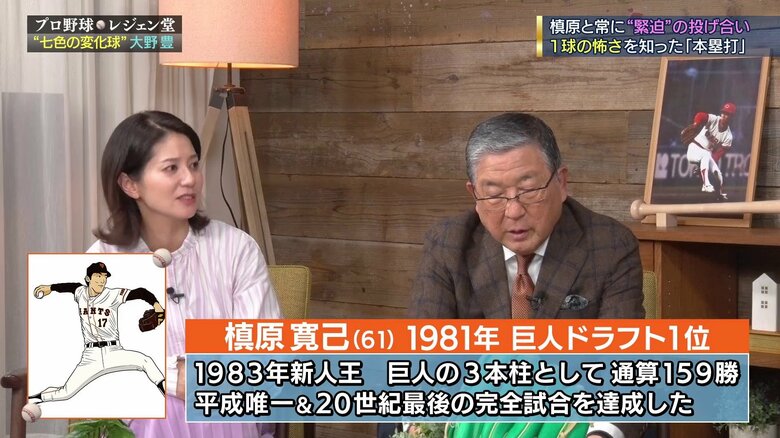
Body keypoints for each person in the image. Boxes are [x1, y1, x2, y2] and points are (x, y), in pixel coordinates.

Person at [408, 113, 646, 438]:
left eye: (529, 190)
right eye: (494, 195)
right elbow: (423, 364)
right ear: (474, 195)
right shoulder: (448, 244)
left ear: (561, 183)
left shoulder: (609, 246)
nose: (514, 211)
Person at [84, 111, 282, 437]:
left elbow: (264, 355)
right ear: (130, 184)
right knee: (158, 406)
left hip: (229, 414)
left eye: (193, 164)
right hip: (141, 423)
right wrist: (175, 377)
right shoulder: (102, 262)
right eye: (171, 168)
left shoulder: (236, 248)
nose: (190, 179)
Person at [29, 261, 165, 403]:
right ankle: (33, 399)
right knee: (65, 393)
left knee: (146, 361)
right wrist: (50, 288)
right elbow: (69, 286)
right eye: (98, 276)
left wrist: (156, 305)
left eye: (105, 277)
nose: (102, 281)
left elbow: (141, 292)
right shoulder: (80, 292)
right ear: (88, 279)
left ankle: (169, 395)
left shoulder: (112, 295)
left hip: (114, 352)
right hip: (90, 357)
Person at [685, 102, 736, 201]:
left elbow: (717, 155)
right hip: (694, 148)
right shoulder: (714, 119)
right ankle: (706, 185)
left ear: (731, 117)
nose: (723, 115)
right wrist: (695, 124)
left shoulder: (728, 137)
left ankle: (720, 194)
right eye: (723, 112)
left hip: (706, 155)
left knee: (718, 174)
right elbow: (700, 115)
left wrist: (704, 165)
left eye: (727, 114)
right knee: (706, 155)